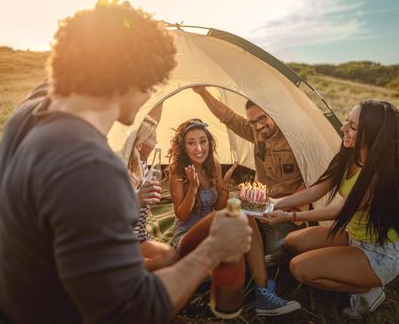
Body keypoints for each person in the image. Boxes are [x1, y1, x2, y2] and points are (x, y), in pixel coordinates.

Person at [0, 0, 252, 324]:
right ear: (127, 79)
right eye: (151, 82)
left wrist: (96, 31)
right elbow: (133, 310)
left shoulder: (28, 114)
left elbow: (53, 81)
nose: (150, 94)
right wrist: (213, 249)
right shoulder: (89, 168)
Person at [263, 100, 399, 318]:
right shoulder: (349, 155)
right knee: (291, 242)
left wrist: (290, 215)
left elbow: (341, 210)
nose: (343, 129)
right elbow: (317, 190)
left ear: (372, 135)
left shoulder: (380, 176)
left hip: (377, 252)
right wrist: (276, 203)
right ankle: (348, 271)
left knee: (299, 269)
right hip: (351, 235)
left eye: (353, 127)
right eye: (346, 122)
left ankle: (368, 290)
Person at [168, 118, 300, 316]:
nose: (199, 148)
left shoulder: (213, 165)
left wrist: (224, 187)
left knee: (247, 215)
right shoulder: (177, 173)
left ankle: (263, 292)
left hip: (213, 234)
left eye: (203, 141)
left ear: (209, 142)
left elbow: (219, 206)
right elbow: (182, 215)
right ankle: (261, 292)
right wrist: (193, 188)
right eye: (191, 142)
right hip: (187, 239)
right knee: (237, 212)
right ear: (183, 146)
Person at [193, 86, 307, 262]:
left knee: (274, 257)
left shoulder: (295, 138)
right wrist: (202, 92)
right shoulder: (254, 132)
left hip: (286, 212)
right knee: (226, 229)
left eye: (262, 118)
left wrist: (284, 206)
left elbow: (310, 182)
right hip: (258, 206)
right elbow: (227, 117)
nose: (259, 126)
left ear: (273, 113)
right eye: (253, 122)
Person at [126, 115, 177, 271]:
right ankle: (122, 268)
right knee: (167, 259)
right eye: (153, 138)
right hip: (122, 242)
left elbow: (155, 112)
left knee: (172, 256)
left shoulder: (144, 165)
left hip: (139, 238)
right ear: (140, 144)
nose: (156, 142)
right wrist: (137, 199)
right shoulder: (123, 170)